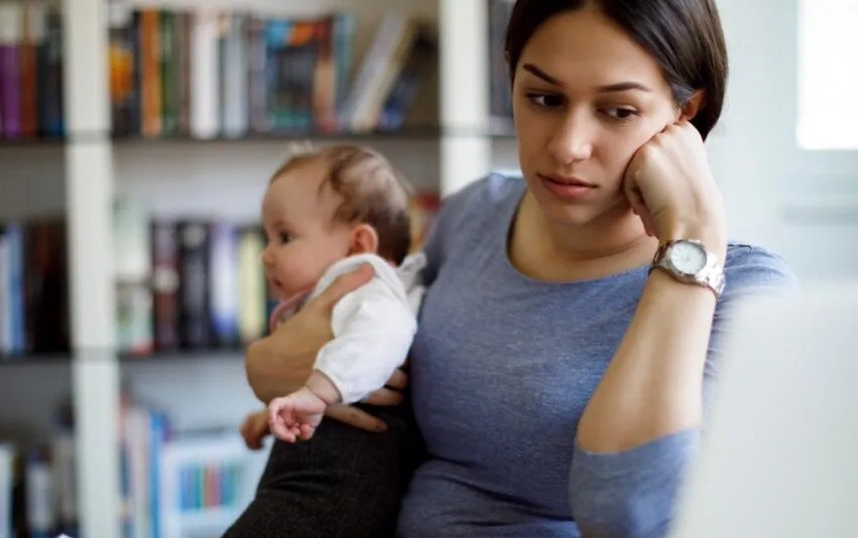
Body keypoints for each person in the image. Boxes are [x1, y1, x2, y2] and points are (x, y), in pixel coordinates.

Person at [228, 0, 800, 536]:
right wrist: (266, 368)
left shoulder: (748, 294)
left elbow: (628, 513)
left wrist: (692, 241)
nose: (569, 146)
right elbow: (320, 348)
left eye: (617, 110)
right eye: (544, 99)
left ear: (686, 112)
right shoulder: (474, 214)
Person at [251, 144, 426, 443]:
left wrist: (315, 394)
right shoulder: (326, 297)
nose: (266, 255)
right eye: (268, 237)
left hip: (356, 454)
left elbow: (381, 335)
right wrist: (274, 411)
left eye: (285, 237)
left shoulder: (368, 291)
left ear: (357, 246)